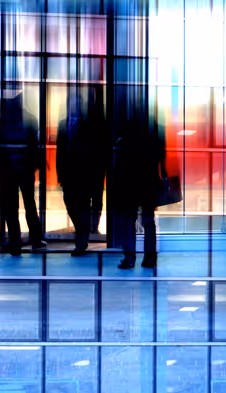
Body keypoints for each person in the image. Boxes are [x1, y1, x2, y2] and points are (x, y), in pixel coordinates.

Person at [0, 90, 46, 256]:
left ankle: (15, 244)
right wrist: (38, 167)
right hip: (25, 170)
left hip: (7, 171)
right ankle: (36, 240)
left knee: (10, 209)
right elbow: (36, 147)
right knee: (30, 206)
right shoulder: (30, 119)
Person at [111, 98, 165, 270]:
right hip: (148, 180)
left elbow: (120, 155)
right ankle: (149, 258)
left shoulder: (127, 127)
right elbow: (161, 156)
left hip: (130, 181)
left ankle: (129, 258)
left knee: (129, 220)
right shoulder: (156, 128)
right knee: (148, 220)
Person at [56, 89, 104, 256]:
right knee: (69, 202)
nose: (72, 105)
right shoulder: (62, 123)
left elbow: (93, 149)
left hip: (83, 173)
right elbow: (60, 151)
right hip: (68, 173)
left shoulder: (88, 123)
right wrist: (60, 174)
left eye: (76, 103)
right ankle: (82, 230)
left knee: (83, 205)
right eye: (70, 102)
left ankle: (81, 241)